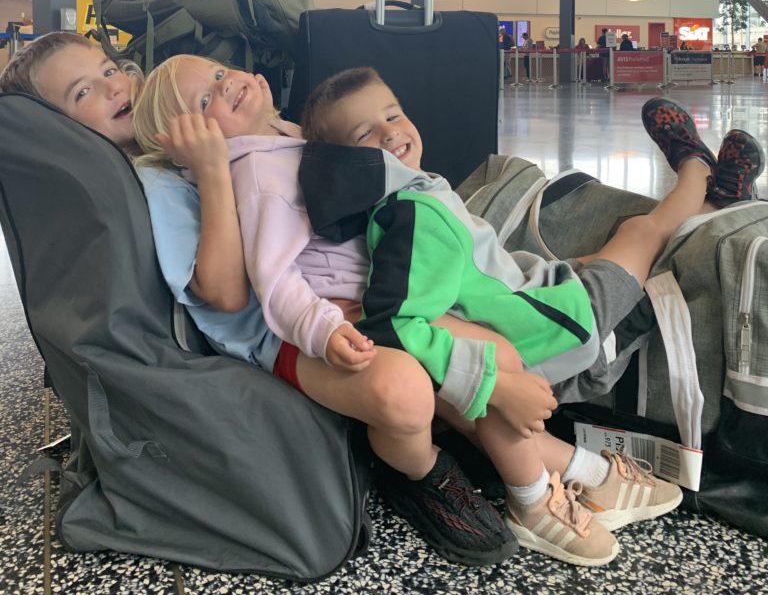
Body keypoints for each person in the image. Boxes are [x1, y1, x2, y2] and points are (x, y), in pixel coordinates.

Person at [0, 34, 515, 568]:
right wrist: (212, 169)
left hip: (342, 296)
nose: (113, 87)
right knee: (410, 385)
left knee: (491, 356)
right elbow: (224, 296)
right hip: (283, 329)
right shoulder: (160, 178)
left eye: (110, 69)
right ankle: (424, 473)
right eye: (85, 90)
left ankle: (518, 462)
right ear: (56, 130)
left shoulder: (233, 142)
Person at [300, 68, 765, 560]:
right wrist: (495, 383)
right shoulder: (413, 213)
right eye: (365, 134)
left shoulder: (407, 196)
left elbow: (467, 273)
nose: (391, 131)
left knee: (623, 243)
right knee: (645, 233)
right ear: (345, 162)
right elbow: (395, 322)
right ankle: (696, 168)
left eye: (392, 114)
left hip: (537, 300)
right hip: (561, 324)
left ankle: (717, 193)